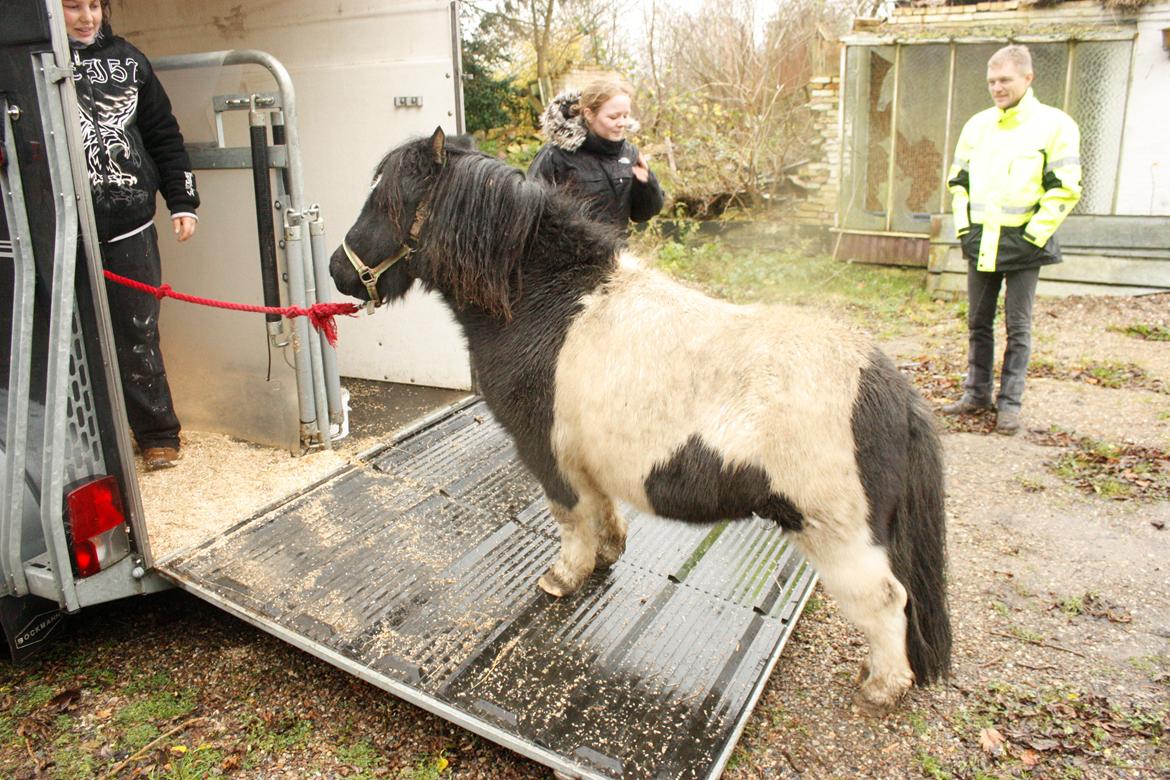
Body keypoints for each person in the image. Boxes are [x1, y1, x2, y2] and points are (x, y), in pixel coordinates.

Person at [63, 0, 200, 469]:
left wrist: (182, 202)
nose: (87, 16)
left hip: (130, 226)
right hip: (63, 231)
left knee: (138, 332)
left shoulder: (130, 60)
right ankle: (88, 449)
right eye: (71, 6)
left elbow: (164, 135)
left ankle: (158, 435)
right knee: (71, 340)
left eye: (94, 5)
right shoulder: (33, 66)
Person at [941, 44, 1081, 435]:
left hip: (1027, 244)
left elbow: (1065, 188)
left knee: (1018, 328)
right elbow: (958, 184)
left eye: (1005, 80)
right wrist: (966, 230)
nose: (997, 88)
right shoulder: (978, 126)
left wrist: (1034, 235)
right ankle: (976, 395)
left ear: (1027, 78)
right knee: (978, 323)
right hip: (981, 242)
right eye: (992, 81)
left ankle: (1010, 406)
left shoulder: (1056, 125)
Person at [528, 78, 664, 235]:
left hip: (616, 254)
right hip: (569, 255)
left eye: (625, 116)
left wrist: (647, 184)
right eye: (613, 117)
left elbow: (642, 215)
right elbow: (529, 212)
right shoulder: (556, 155)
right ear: (589, 115)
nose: (621, 123)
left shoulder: (630, 154)